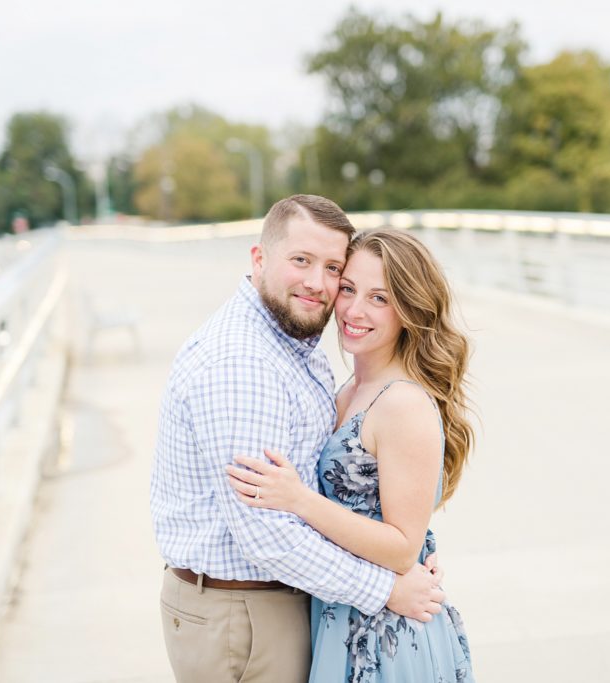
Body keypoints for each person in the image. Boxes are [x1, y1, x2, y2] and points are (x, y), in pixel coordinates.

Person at [150, 196, 445, 683]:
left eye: (333, 269)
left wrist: (410, 550)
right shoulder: (243, 363)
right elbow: (267, 536)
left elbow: (380, 510)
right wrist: (387, 587)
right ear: (259, 258)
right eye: (301, 260)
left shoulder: (299, 351)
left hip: (310, 605)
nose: (319, 284)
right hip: (245, 613)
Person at [227, 228, 476, 682]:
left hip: (386, 634)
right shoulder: (348, 390)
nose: (354, 311)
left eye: (379, 298)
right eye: (348, 289)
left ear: (409, 310)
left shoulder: (402, 403)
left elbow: (402, 548)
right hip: (342, 612)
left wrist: (300, 500)